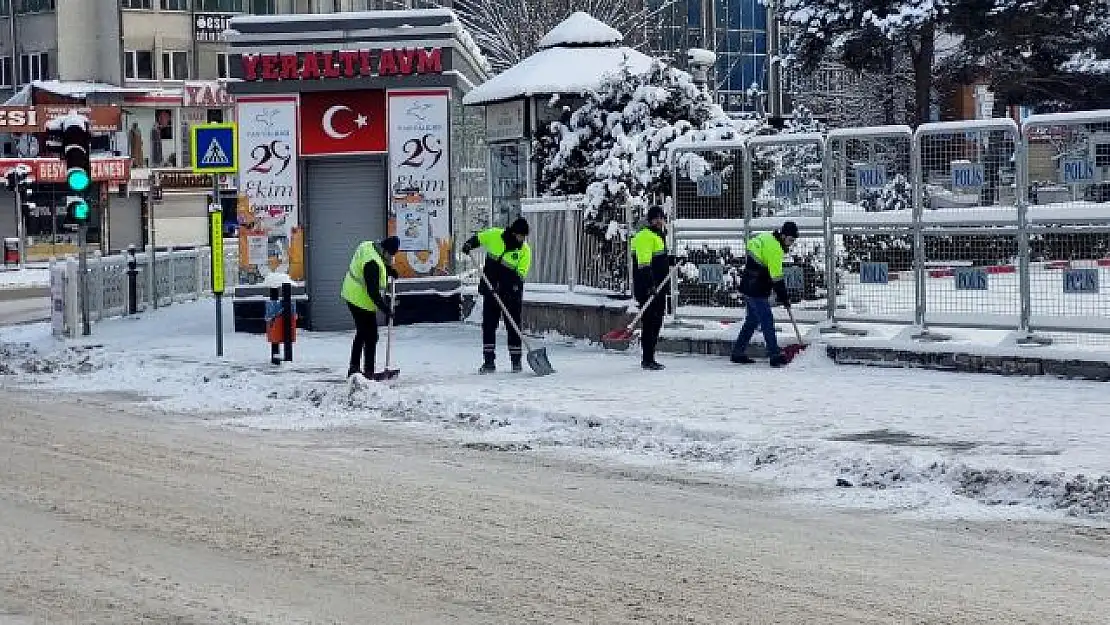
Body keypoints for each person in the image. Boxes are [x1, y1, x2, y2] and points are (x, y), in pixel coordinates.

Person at [461, 218, 531, 373]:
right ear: (513, 233)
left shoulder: (524, 251)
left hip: (511, 295)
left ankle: (516, 362)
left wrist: (508, 289)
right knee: (488, 326)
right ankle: (489, 362)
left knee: (513, 327)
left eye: (524, 237)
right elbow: (479, 238)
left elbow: (520, 276)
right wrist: (469, 244)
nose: (522, 239)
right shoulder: (495, 235)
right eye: (520, 236)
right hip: (490, 292)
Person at [730, 221, 798, 368]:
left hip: (748, 283)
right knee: (767, 319)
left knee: (752, 320)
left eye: (793, 241)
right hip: (756, 288)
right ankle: (774, 355)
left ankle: (738, 352)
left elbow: (750, 245)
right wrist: (784, 298)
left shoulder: (766, 237)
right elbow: (777, 278)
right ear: (783, 235)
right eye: (790, 240)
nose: (791, 244)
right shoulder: (775, 249)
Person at [341, 235, 400, 379]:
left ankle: (354, 368)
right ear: (385, 251)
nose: (391, 258)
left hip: (352, 293)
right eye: (391, 255)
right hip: (359, 300)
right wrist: (386, 310)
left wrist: (388, 269)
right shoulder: (373, 264)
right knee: (371, 335)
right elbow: (373, 292)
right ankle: (368, 372)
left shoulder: (369, 245)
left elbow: (377, 262)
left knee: (363, 332)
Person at [630, 206, 674, 371]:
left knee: (656, 322)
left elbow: (658, 259)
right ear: (650, 220)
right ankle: (647, 359)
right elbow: (644, 264)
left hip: (658, 287)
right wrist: (650, 286)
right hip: (648, 288)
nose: (658, 221)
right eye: (655, 218)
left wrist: (673, 259)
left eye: (660, 218)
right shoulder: (644, 236)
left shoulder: (658, 235)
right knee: (650, 323)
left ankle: (651, 357)